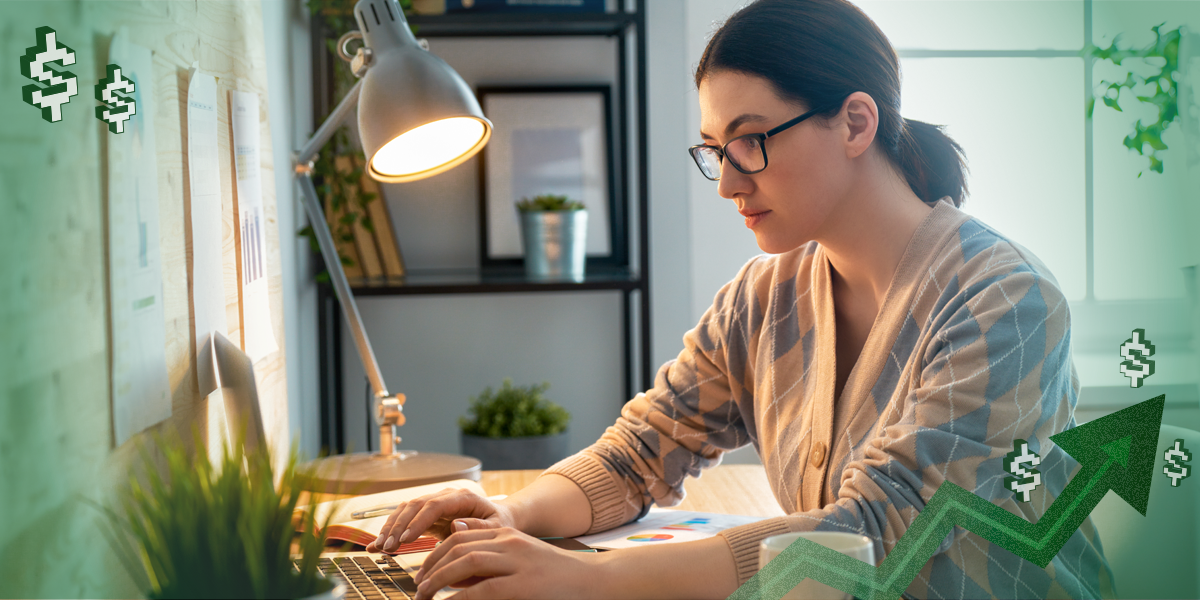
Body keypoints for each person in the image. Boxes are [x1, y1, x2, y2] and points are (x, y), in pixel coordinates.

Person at [366, 0, 1114, 597]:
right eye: (715, 148)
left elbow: (876, 532)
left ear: (856, 122)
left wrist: (589, 580)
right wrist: (511, 514)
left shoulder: (1005, 300)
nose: (726, 181)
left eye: (750, 139)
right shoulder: (765, 296)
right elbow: (641, 452)